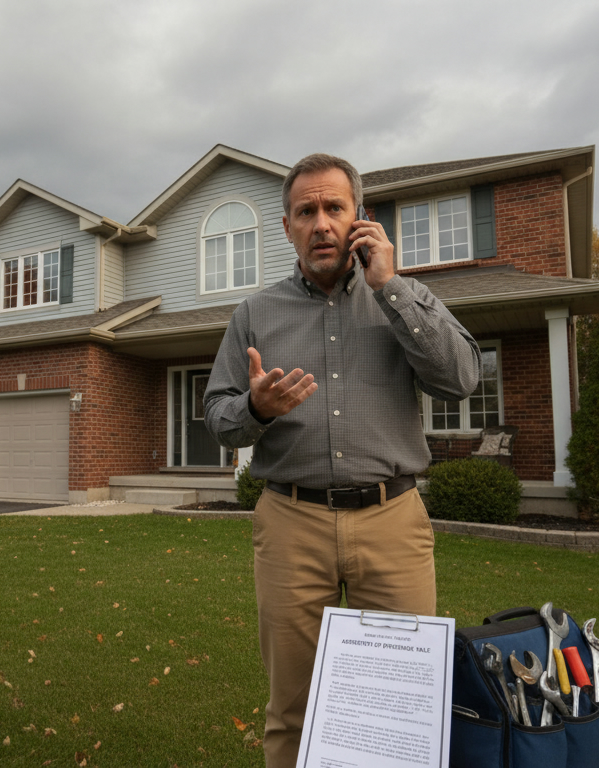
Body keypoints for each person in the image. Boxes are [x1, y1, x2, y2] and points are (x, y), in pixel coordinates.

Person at [203, 153, 481, 767]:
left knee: (402, 706)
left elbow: (462, 379)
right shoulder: (255, 314)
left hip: (392, 520)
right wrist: (257, 408)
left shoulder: (403, 297)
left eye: (334, 207)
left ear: (360, 218)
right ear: (287, 227)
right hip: (290, 522)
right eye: (306, 211)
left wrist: (390, 286)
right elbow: (217, 419)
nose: (321, 223)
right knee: (292, 708)